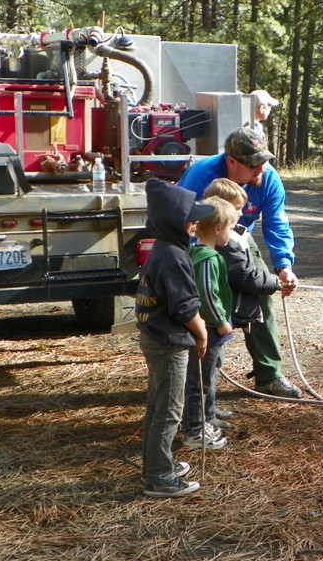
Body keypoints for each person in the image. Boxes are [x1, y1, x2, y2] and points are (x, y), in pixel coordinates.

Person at [178, 127, 303, 398]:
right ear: (232, 161)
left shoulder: (268, 179)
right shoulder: (201, 176)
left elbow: (277, 225)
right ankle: (192, 386)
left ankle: (268, 375)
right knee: (203, 305)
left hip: (239, 237)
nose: (260, 168)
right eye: (253, 163)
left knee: (260, 291)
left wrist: (283, 267)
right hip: (201, 243)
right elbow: (180, 220)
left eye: (264, 161)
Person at [136, 178, 215, 498]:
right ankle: (158, 476)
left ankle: (157, 462)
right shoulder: (173, 257)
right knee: (169, 411)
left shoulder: (164, 249)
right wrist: (202, 332)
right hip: (169, 344)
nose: (196, 222)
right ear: (174, 222)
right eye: (190, 217)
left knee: (157, 406)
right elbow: (184, 308)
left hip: (155, 339)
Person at [202, 178, 293, 417]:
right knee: (208, 365)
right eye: (237, 209)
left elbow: (276, 225)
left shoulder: (236, 234)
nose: (243, 214)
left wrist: (282, 269)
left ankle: (208, 410)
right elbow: (243, 275)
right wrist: (274, 282)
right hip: (217, 318)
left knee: (214, 362)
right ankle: (201, 417)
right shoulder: (223, 243)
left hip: (226, 314)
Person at [182, 196, 239, 451]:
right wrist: (220, 322)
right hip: (210, 330)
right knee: (199, 382)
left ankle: (205, 418)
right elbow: (206, 293)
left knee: (206, 377)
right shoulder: (207, 258)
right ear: (217, 229)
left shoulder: (199, 253)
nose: (232, 232)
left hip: (209, 330)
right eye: (230, 227)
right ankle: (194, 430)